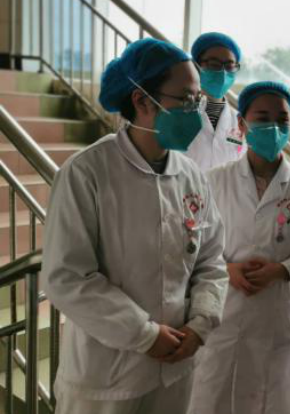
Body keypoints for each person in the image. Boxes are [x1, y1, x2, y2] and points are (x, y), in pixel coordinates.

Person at [42, 38, 228, 414]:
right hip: (106, 378)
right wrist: (143, 334)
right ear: (143, 101)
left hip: (176, 368)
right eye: (186, 100)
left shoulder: (192, 177)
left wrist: (201, 323)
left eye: (198, 100)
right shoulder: (87, 172)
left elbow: (211, 261)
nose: (196, 111)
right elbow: (67, 277)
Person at [189, 81, 290, 414]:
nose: (273, 127)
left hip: (276, 315)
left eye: (282, 119)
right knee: (213, 398)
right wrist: (227, 269)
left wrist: (281, 270)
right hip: (223, 309)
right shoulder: (215, 179)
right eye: (262, 118)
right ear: (242, 124)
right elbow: (193, 242)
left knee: (272, 400)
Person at [186, 32, 245, 171]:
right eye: (214, 64)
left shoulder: (239, 122)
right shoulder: (179, 114)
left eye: (229, 66)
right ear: (196, 66)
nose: (223, 73)